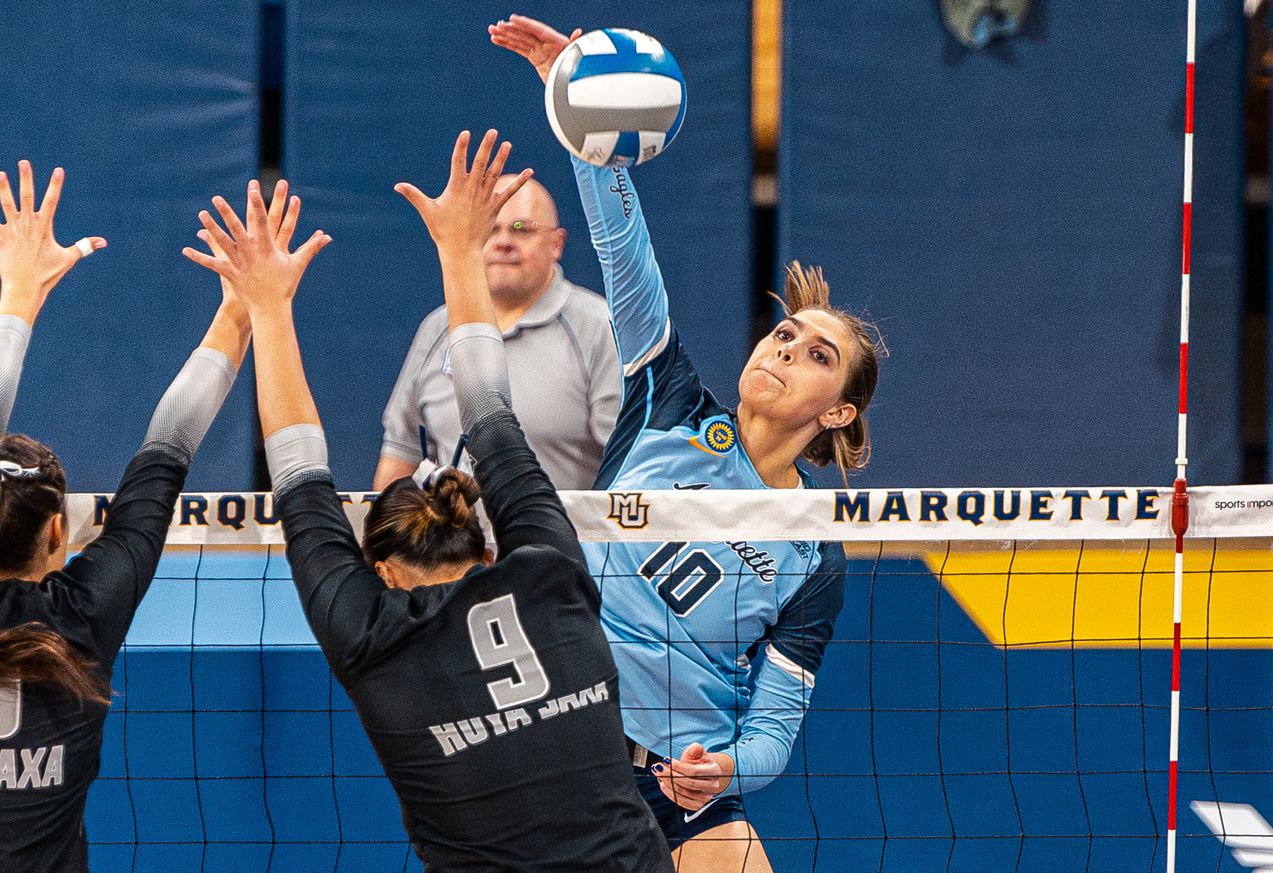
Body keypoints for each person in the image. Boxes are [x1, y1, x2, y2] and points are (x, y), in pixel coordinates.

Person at [185, 132, 673, 872]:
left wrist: (265, 309)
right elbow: (491, 411)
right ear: (485, 546)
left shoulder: (373, 641)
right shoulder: (550, 576)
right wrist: (458, 249)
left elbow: (298, 469)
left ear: (380, 572)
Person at [490, 16, 885, 871]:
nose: (784, 349)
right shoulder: (668, 401)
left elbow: (774, 730)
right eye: (786, 334)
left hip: (684, 784)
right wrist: (584, 127)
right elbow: (625, 256)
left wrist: (725, 768)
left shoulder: (814, 555)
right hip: (570, 753)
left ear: (839, 414)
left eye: (817, 355)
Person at [0, 160, 251, 872]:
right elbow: (166, 450)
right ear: (58, 530)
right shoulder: (82, 618)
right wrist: (243, 310)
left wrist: (18, 290)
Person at [375, 175, 620, 491]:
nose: (503, 241)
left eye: (522, 228)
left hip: (562, 538)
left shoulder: (598, 326)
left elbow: (628, 460)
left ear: (557, 243)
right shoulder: (437, 327)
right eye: (490, 228)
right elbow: (402, 450)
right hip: (456, 539)